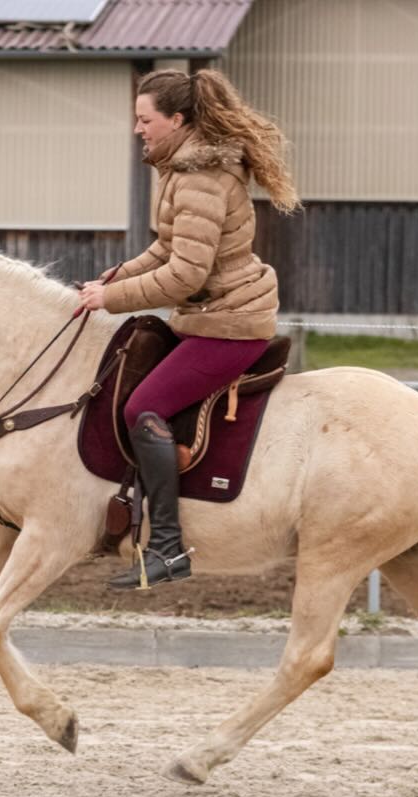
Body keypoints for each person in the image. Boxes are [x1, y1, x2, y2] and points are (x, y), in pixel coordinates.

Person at [77, 68, 300, 590]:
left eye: (145, 119)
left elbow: (186, 274)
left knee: (142, 407)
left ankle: (168, 547)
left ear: (177, 120)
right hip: (208, 316)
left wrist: (111, 300)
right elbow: (165, 249)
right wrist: (112, 277)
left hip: (229, 324)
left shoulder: (199, 179)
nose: (138, 129)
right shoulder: (181, 169)